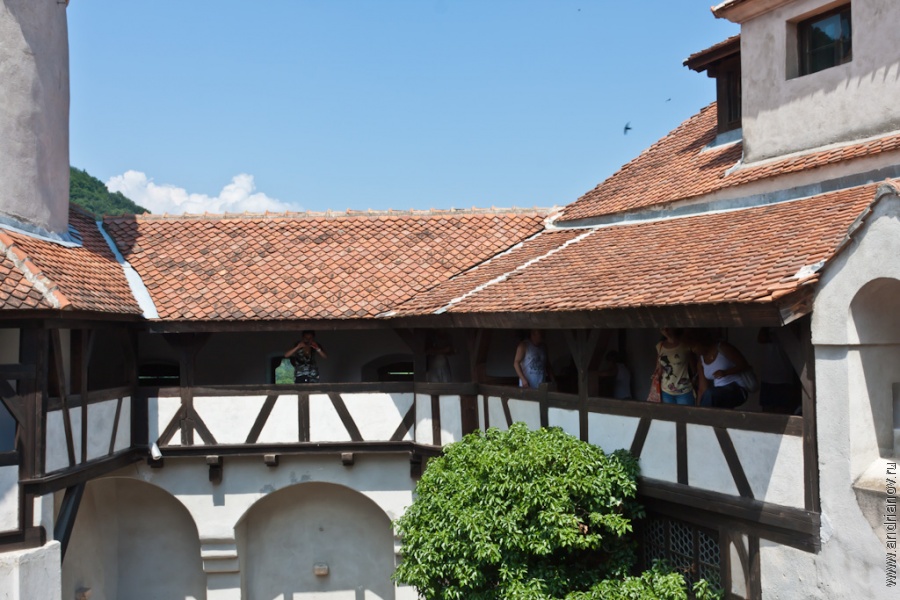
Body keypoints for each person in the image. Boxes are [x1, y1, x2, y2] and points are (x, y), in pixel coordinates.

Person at [692, 332, 753, 409]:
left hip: (737, 389)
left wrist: (725, 372)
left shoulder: (722, 347)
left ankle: (704, 419)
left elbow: (744, 365)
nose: (693, 350)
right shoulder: (701, 361)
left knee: (711, 394)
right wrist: (698, 408)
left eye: (694, 346)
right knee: (712, 396)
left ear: (701, 343)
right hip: (720, 392)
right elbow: (702, 389)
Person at [757, 327, 801, 414]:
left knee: (783, 409)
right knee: (767, 410)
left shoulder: (789, 329)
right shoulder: (768, 329)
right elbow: (761, 338)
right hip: (768, 376)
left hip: (783, 377)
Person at [656, 328, 695, 405]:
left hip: (684, 390)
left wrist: (694, 380)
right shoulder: (660, 346)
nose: (666, 330)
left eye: (668, 327)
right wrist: (656, 376)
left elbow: (694, 367)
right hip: (666, 390)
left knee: (685, 416)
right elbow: (659, 367)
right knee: (669, 416)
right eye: (662, 328)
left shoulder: (686, 344)